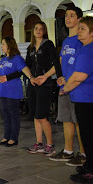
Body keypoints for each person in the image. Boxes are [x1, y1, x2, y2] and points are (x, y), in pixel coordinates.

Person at [60, 16, 93, 184]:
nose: (79, 31)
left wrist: (65, 88)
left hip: (91, 98)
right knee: (88, 134)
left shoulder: (91, 49)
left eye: (82, 28)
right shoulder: (85, 47)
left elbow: (79, 77)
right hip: (85, 98)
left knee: (91, 135)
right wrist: (65, 80)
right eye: (79, 28)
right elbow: (74, 71)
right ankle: (90, 164)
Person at [49, 7, 86, 166]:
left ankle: (84, 153)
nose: (68, 18)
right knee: (66, 119)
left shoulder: (82, 39)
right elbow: (62, 62)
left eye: (72, 16)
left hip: (77, 86)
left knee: (79, 121)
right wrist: (59, 77)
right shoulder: (66, 41)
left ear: (79, 19)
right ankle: (68, 151)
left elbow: (82, 64)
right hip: (63, 86)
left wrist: (69, 80)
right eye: (66, 16)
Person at [26, 21, 62, 156]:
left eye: (41, 29)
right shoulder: (30, 48)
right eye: (36, 28)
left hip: (45, 84)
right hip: (34, 84)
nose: (38, 31)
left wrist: (45, 76)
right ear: (33, 31)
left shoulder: (48, 44)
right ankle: (39, 143)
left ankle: (50, 145)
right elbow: (27, 65)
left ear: (44, 31)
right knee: (36, 115)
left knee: (42, 116)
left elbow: (57, 62)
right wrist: (31, 78)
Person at [0, 37, 34, 147]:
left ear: (9, 45)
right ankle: (6, 136)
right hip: (2, 91)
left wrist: (31, 77)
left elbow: (23, 69)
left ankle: (13, 138)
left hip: (12, 91)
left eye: (3, 44)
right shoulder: (2, 59)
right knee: (5, 115)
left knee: (13, 115)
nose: (1, 46)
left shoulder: (17, 58)